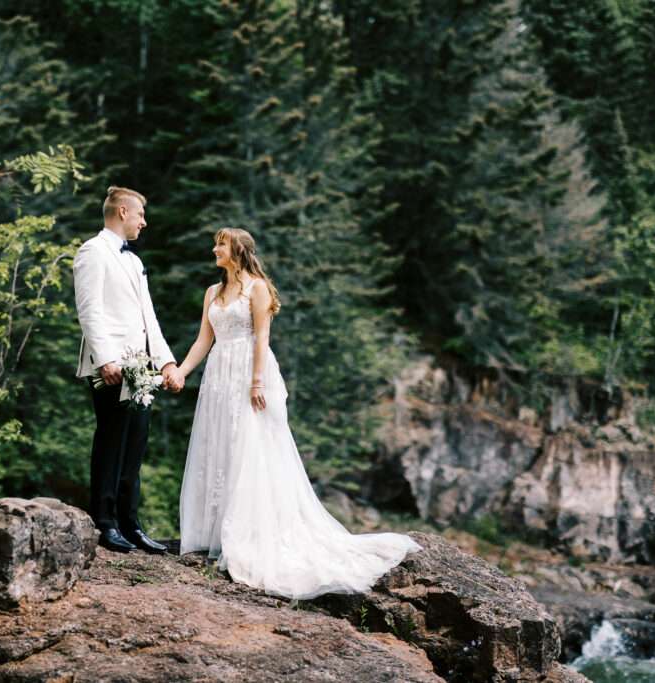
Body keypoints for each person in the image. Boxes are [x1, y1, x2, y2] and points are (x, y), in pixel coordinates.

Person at [176, 227, 420, 598]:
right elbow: (202, 341)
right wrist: (180, 371)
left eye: (221, 244)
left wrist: (256, 383)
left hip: (247, 373)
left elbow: (262, 337)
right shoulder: (212, 292)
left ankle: (251, 533)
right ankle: (217, 532)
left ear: (238, 250)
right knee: (221, 446)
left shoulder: (256, 288)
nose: (214, 249)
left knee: (250, 449)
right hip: (218, 377)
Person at [74, 186, 184, 554]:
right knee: (111, 442)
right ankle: (104, 523)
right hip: (111, 367)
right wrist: (105, 358)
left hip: (141, 369)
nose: (144, 221)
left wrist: (166, 361)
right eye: (140, 214)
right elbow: (89, 309)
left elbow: (147, 316)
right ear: (122, 212)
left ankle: (130, 525)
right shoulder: (93, 250)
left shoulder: (134, 261)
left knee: (134, 446)